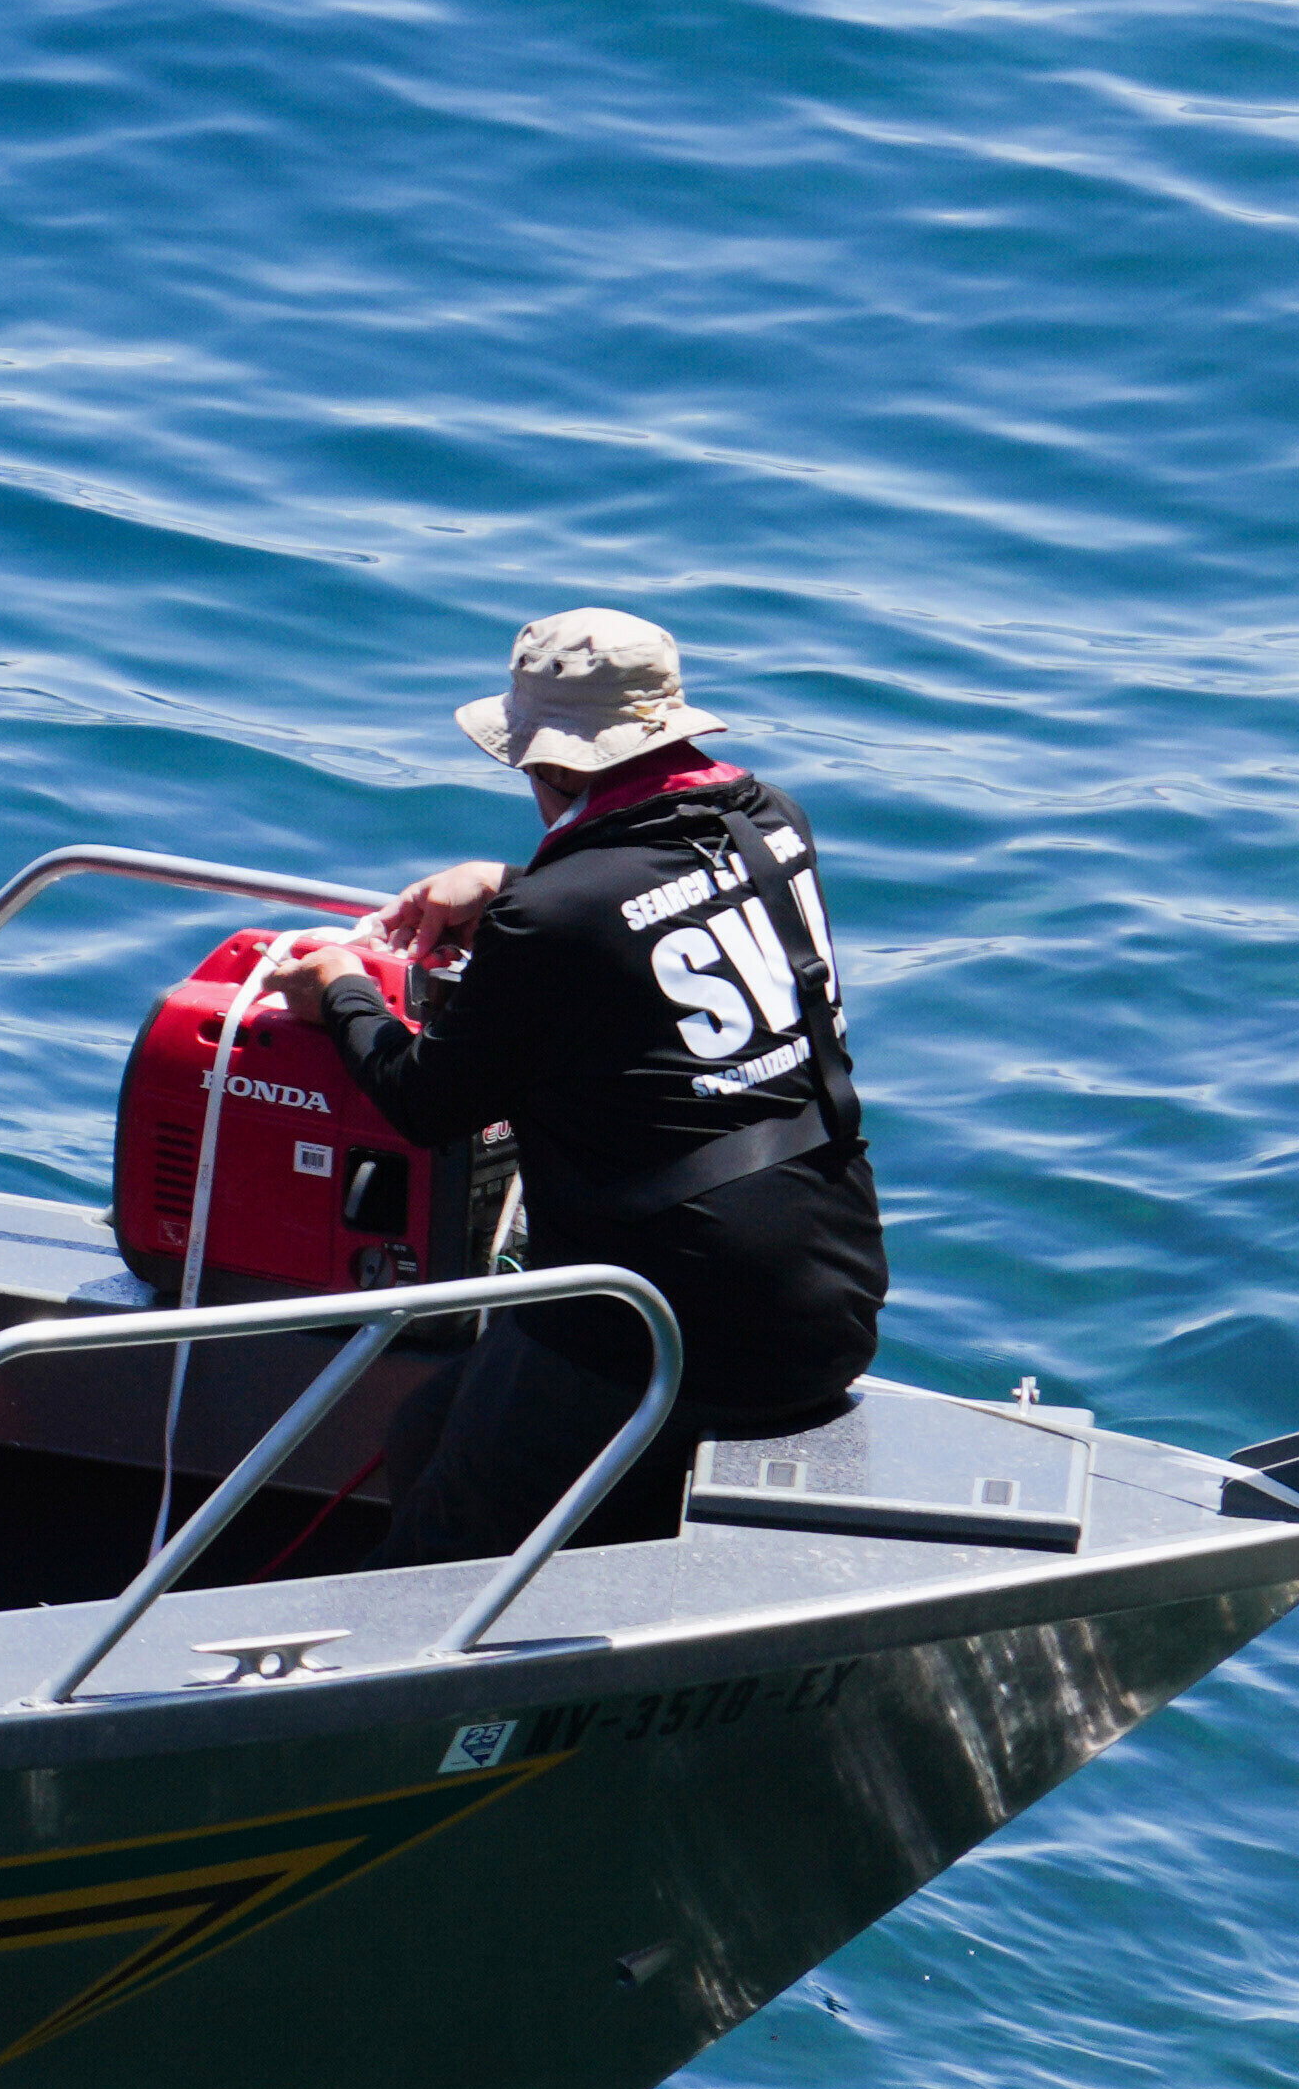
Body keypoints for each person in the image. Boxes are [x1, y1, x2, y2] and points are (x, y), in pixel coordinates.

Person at [281, 605, 886, 1561]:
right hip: (829, 1291)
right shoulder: (773, 823)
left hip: (659, 1328)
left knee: (440, 1528)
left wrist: (341, 990)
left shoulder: (554, 919)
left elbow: (423, 1100)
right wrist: (508, 882)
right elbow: (650, 905)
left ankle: (425, 1687)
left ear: (549, 767)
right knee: (429, 1427)